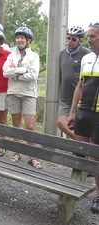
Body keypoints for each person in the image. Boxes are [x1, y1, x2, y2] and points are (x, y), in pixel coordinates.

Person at [67, 22, 99, 213]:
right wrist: (72, 112)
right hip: (83, 113)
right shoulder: (87, 58)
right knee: (80, 153)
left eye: (93, 36)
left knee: (95, 158)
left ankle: (98, 196)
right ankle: (74, 190)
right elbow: (80, 86)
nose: (89, 39)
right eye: (88, 36)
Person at [3, 27, 42, 169]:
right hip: (13, 92)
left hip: (29, 93)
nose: (20, 40)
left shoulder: (34, 56)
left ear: (28, 40)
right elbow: (5, 73)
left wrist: (16, 73)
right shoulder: (11, 56)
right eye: (18, 37)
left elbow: (33, 75)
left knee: (30, 126)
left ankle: (32, 156)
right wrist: (23, 70)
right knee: (16, 124)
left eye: (22, 38)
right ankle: (17, 152)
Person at [57, 26, 91, 139]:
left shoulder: (86, 54)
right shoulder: (62, 54)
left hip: (81, 99)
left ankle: (80, 148)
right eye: (68, 38)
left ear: (80, 41)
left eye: (73, 39)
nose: (70, 41)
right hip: (66, 98)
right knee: (61, 123)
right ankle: (81, 143)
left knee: (79, 126)